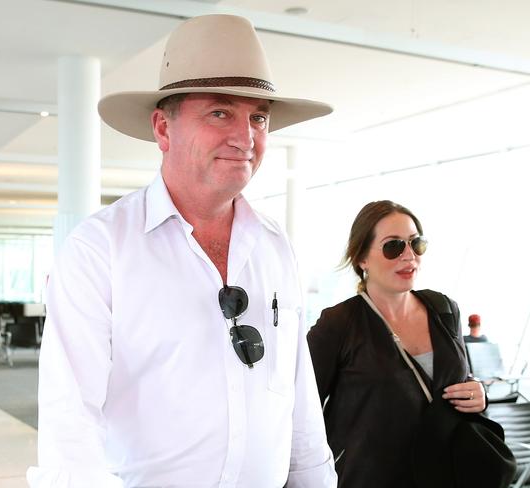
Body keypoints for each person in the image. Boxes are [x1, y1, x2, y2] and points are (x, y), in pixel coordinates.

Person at [27, 15, 337, 488]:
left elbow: (299, 403)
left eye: (258, 117)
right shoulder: (99, 249)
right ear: (163, 129)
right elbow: (70, 433)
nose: (245, 136)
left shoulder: (275, 246)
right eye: (220, 112)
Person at [307, 200, 486, 488]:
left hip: (444, 474)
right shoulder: (339, 323)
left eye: (417, 244)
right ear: (362, 257)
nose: (409, 256)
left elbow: (460, 382)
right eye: (393, 247)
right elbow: (302, 409)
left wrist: (477, 392)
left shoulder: (443, 309)